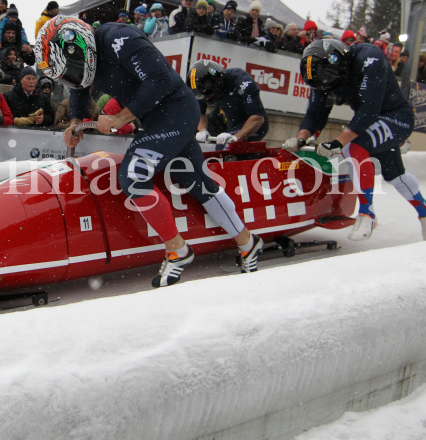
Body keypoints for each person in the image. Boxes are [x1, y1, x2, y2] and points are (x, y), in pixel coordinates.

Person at [38, 16, 265, 285]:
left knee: (133, 176)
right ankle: (249, 243)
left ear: (79, 45)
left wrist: (122, 117)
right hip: (158, 118)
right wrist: (76, 123)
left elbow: (160, 78)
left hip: (175, 111)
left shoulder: (119, 38)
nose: (71, 77)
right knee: (197, 182)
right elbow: (79, 89)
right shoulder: (85, 61)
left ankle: (177, 250)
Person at [284, 39, 426, 242]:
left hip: (396, 117)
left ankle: (367, 214)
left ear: (341, 63)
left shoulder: (370, 58)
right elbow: (315, 113)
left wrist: (338, 142)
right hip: (374, 122)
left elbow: (369, 110)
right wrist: (301, 139)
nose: (327, 87)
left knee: (353, 147)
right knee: (395, 177)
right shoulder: (321, 76)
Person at [189, 60, 269, 148]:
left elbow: (258, 117)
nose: (207, 98)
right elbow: (200, 113)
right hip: (232, 124)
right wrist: (202, 130)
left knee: (224, 147)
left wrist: (235, 137)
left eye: (209, 94)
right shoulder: (200, 89)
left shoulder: (242, 81)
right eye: (203, 97)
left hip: (255, 125)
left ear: (217, 82)